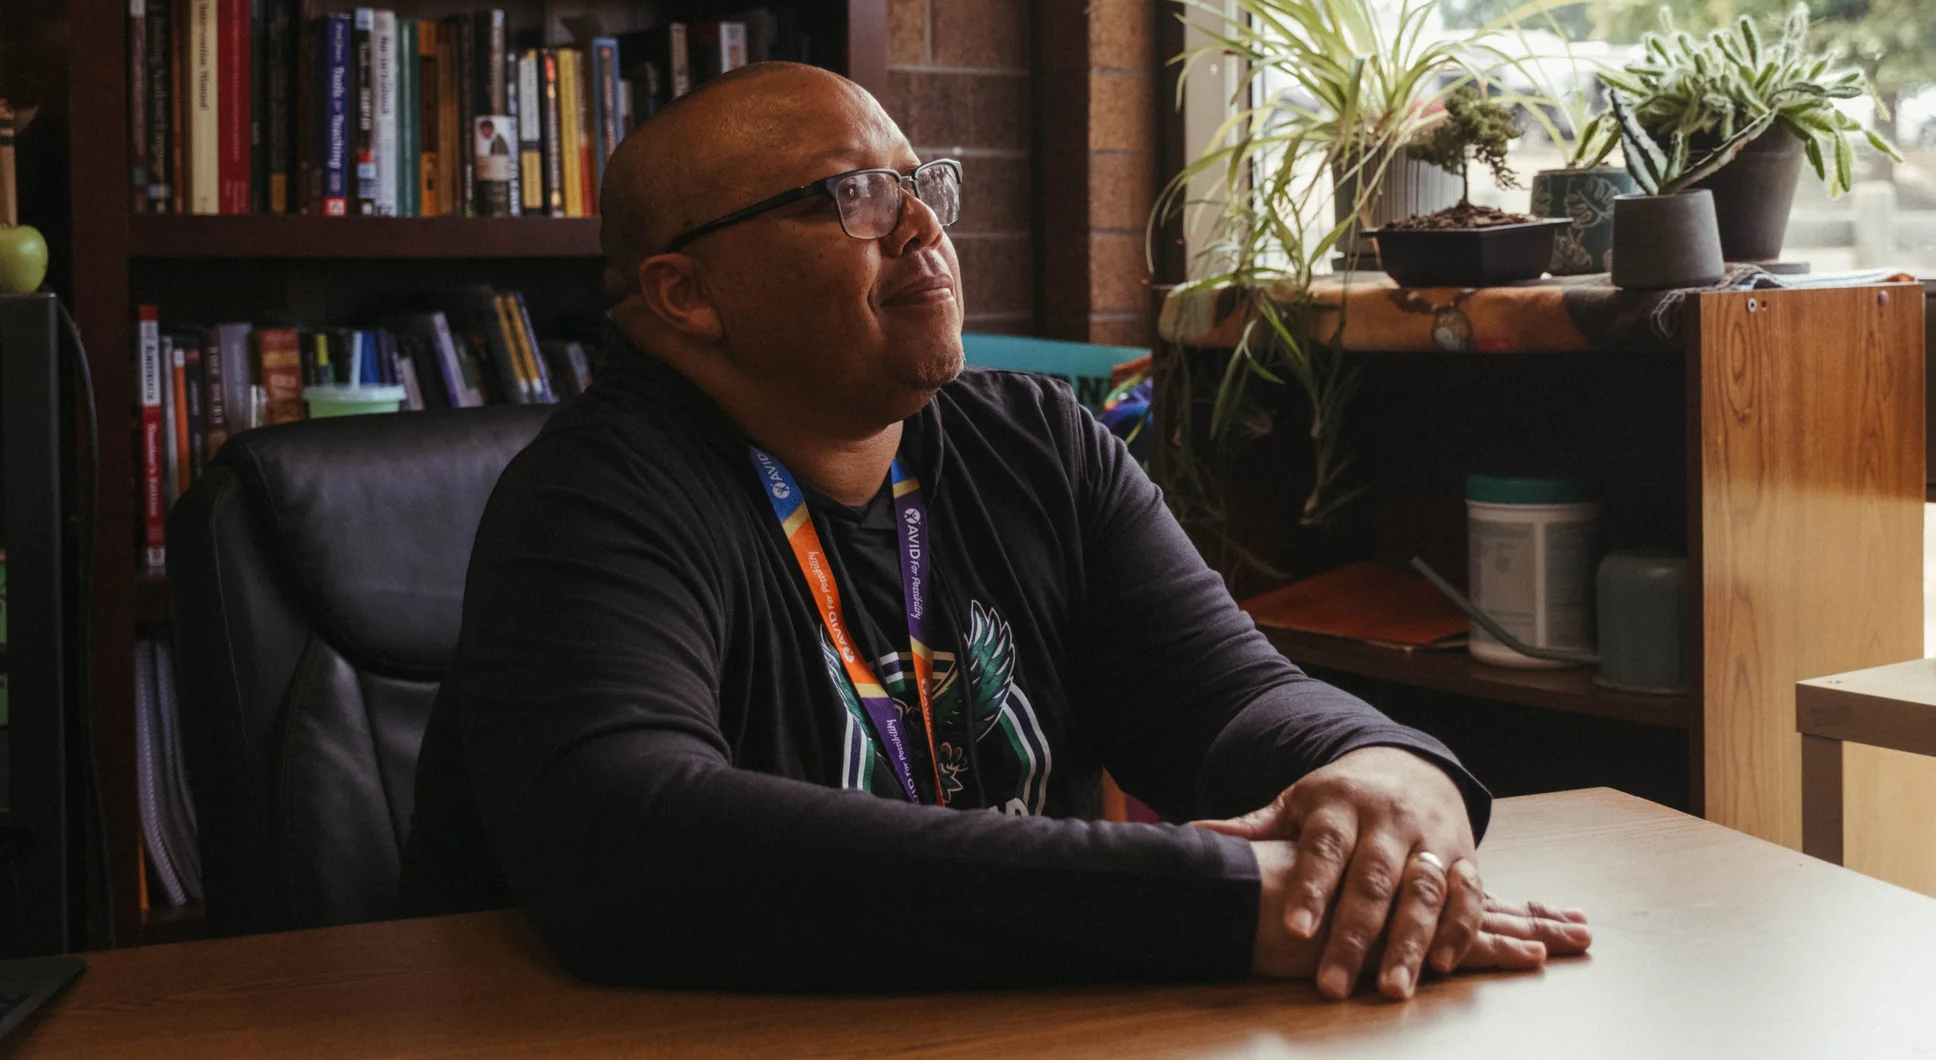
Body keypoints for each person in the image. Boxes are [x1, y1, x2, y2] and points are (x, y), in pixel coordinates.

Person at [399, 63, 1591, 998]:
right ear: (686, 294)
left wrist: (1389, 777)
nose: (923, 227)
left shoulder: (1039, 445)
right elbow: (635, 845)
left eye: (920, 183)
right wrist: (1229, 899)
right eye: (850, 197)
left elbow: (1228, 700)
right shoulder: (595, 501)